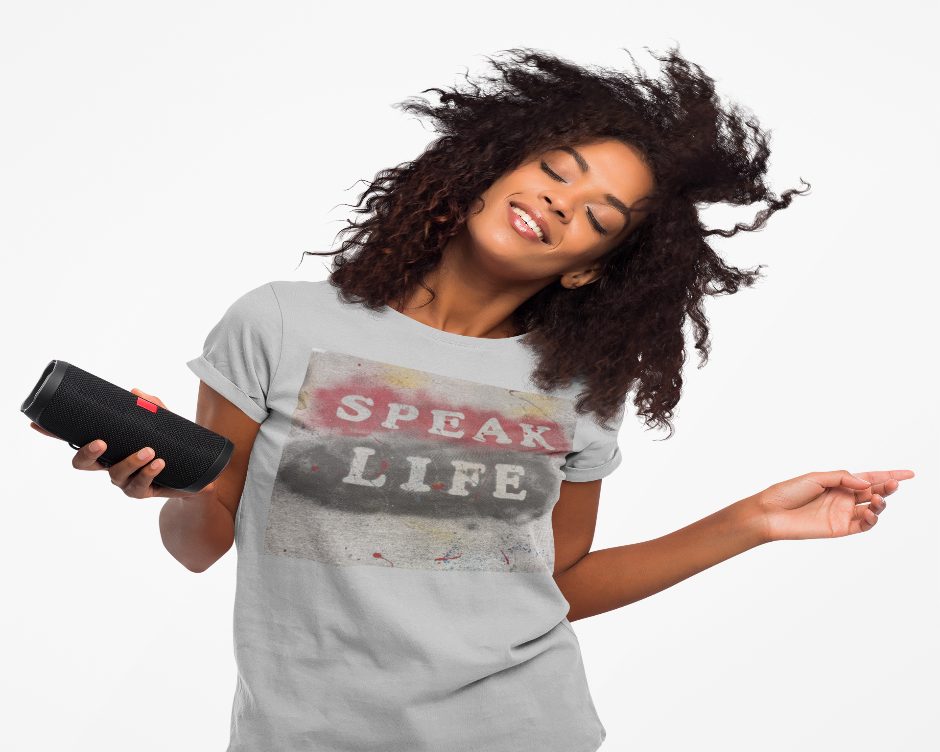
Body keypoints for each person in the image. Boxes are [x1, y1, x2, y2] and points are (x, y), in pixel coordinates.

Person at [30, 48, 913, 751]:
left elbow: (559, 583)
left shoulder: (578, 390)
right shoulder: (277, 324)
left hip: (528, 731)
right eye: (555, 171)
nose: (561, 203)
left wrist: (753, 520)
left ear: (588, 267)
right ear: (489, 171)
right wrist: (175, 484)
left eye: (599, 216)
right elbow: (200, 547)